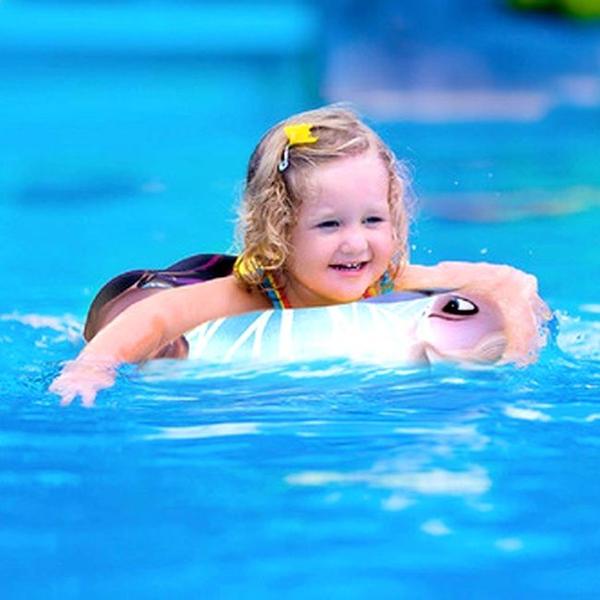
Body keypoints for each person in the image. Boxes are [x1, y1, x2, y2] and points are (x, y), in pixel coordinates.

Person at [50, 105, 550, 406]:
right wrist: (93, 366)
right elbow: (160, 315)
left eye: (373, 220)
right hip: (158, 286)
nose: (356, 243)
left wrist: (518, 362)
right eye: (329, 224)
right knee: (158, 346)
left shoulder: (382, 275)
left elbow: (503, 282)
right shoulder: (255, 288)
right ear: (280, 229)